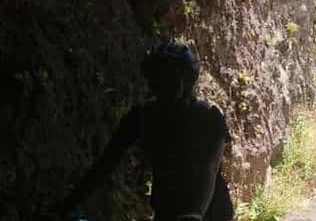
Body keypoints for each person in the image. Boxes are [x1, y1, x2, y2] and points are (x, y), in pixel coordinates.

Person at [55, 40, 234, 221]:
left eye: (169, 76)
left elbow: (209, 167)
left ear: (187, 79)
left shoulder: (209, 116)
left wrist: (196, 213)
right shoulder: (142, 117)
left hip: (211, 212)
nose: (162, 83)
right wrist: (65, 206)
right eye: (156, 76)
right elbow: (105, 165)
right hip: (168, 210)